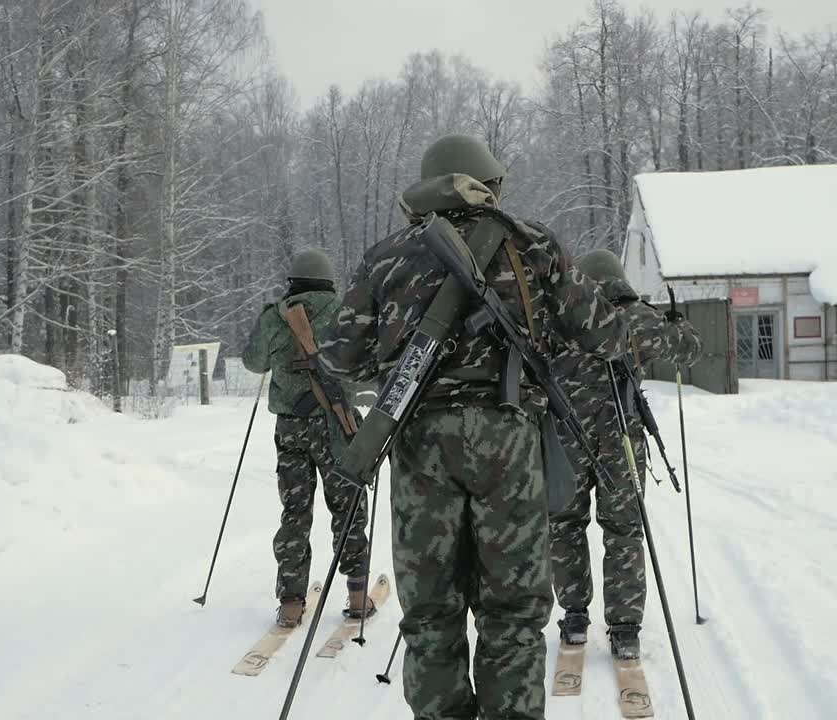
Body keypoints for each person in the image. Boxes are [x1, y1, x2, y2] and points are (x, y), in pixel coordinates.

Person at [319, 134, 627, 720]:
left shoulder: (388, 255)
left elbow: (338, 353)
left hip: (419, 442)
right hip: (507, 441)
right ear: (491, 183)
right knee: (512, 613)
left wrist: (396, 349)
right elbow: (602, 335)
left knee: (431, 612)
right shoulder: (532, 244)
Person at [548, 249, 703, 660]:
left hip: (568, 439)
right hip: (623, 443)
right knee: (624, 531)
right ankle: (625, 629)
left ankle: (575, 618)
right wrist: (677, 323)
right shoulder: (637, 319)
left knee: (565, 526)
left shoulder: (561, 317)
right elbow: (689, 351)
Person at [241, 249, 374, 628]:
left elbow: (253, 363)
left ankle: (291, 602)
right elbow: (364, 365)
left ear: (293, 282)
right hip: (338, 426)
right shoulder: (344, 311)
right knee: (347, 507)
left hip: (291, 427)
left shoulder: (275, 315)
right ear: (329, 280)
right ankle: (357, 594)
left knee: (295, 512)